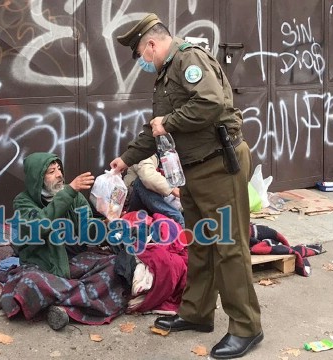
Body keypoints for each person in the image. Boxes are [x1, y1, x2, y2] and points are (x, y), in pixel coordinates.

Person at [110, 13, 263, 359]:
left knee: (228, 245)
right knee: (201, 245)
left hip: (219, 166)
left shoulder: (188, 59)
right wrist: (126, 159)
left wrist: (170, 121)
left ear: (151, 44)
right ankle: (197, 313)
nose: (142, 62)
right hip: (193, 171)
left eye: (140, 55)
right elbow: (156, 129)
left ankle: (247, 327)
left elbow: (211, 102)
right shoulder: (167, 74)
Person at [12, 152, 96, 330]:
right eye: (51, 171)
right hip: (43, 264)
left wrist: (108, 222)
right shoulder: (22, 202)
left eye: (59, 169)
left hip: (72, 262)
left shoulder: (74, 197)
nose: (59, 174)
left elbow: (88, 231)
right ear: (37, 178)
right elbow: (41, 225)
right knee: (29, 282)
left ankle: (59, 304)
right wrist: (69, 192)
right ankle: (79, 298)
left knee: (116, 265)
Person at [123, 154, 185, 228]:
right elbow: (148, 177)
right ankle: (176, 218)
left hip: (163, 202)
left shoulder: (174, 156)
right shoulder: (142, 152)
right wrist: (174, 190)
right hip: (137, 201)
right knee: (141, 182)